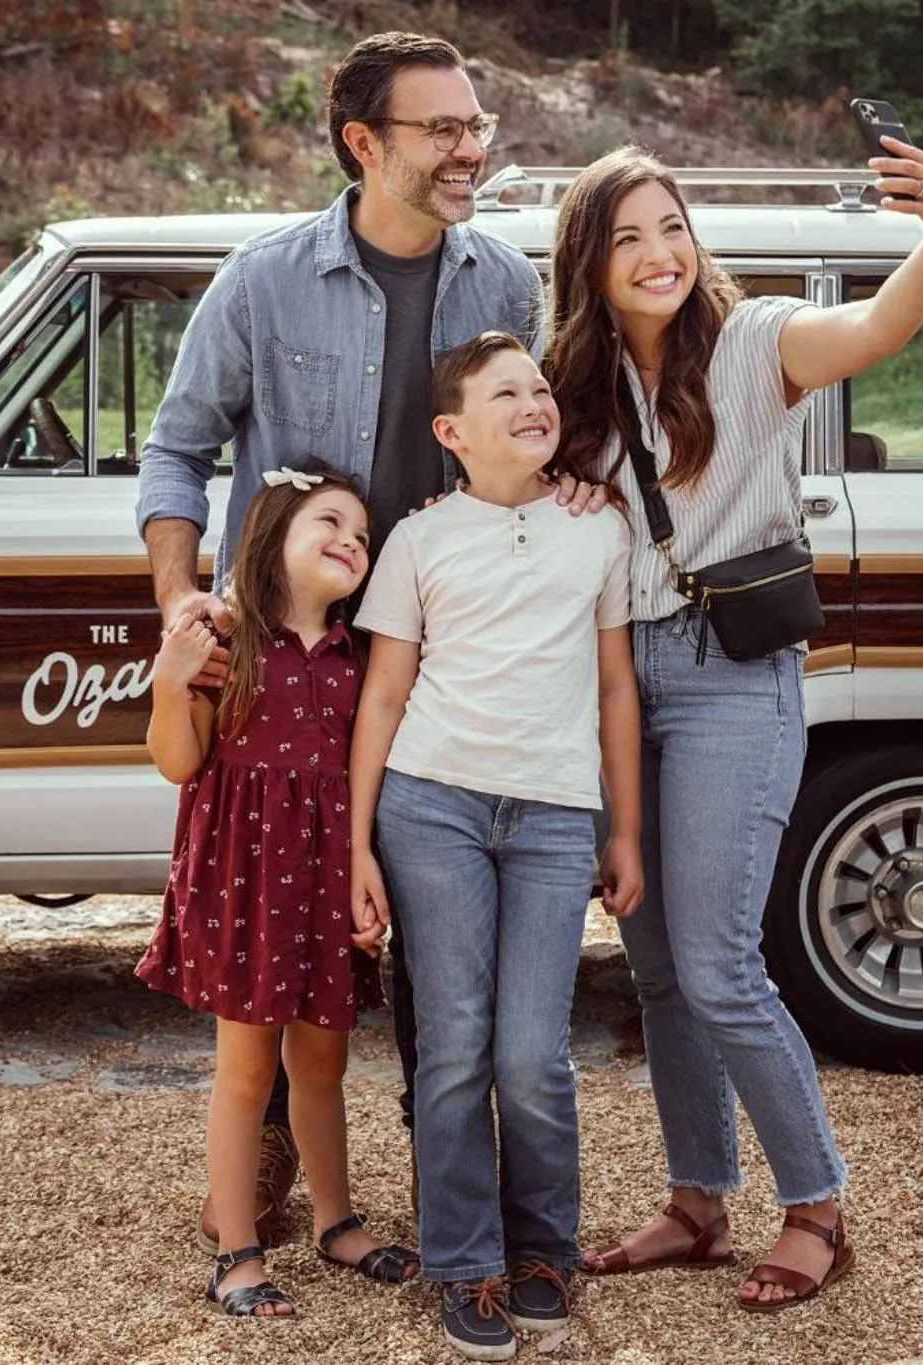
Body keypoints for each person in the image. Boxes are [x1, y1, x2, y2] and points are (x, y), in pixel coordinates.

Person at [134, 30, 563, 1250]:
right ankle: (261, 1170)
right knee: (281, 924)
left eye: (475, 125)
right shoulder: (263, 280)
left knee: (439, 950)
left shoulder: (506, 286)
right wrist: (182, 601)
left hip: (442, 671)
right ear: (364, 144)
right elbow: (177, 448)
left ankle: (456, 1220)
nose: (468, 148)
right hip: (288, 664)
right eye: (441, 129)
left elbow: (530, 441)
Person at [544, 143, 923, 1309]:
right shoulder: (567, 389)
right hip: (618, 680)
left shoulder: (750, 343)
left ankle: (816, 1207)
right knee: (660, 969)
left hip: (734, 672)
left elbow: (873, 333)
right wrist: (555, 481)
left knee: (723, 966)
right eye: (626, 236)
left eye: (670, 227)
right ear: (587, 260)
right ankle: (694, 1201)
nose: (657, 253)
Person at [349, 333, 644, 1361]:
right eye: (504, 393)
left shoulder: (598, 527)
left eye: (539, 390)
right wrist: (355, 848)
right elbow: (383, 694)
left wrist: (625, 830)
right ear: (451, 432)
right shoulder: (418, 541)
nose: (532, 403)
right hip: (430, 807)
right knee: (453, 1044)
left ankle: (541, 1248)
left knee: (531, 1055)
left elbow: (614, 688)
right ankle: (463, 1260)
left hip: (553, 817)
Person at [136, 464, 420, 1318]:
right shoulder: (227, 641)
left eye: (363, 535)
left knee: (324, 1059)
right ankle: (236, 1248)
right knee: (247, 1070)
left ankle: (335, 1220)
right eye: (331, 522)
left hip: (326, 880)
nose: (352, 541)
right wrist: (168, 679)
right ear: (272, 536)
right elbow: (179, 761)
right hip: (244, 884)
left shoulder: (358, 653)